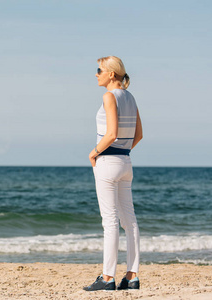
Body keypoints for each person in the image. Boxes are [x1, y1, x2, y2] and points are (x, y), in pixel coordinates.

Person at [83, 56, 143, 291]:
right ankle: (132, 276)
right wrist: (121, 153)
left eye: (99, 70)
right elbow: (137, 136)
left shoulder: (109, 97)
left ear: (111, 74)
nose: (96, 74)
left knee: (110, 222)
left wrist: (94, 153)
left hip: (107, 161)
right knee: (130, 221)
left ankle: (108, 278)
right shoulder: (131, 97)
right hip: (125, 161)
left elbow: (111, 133)